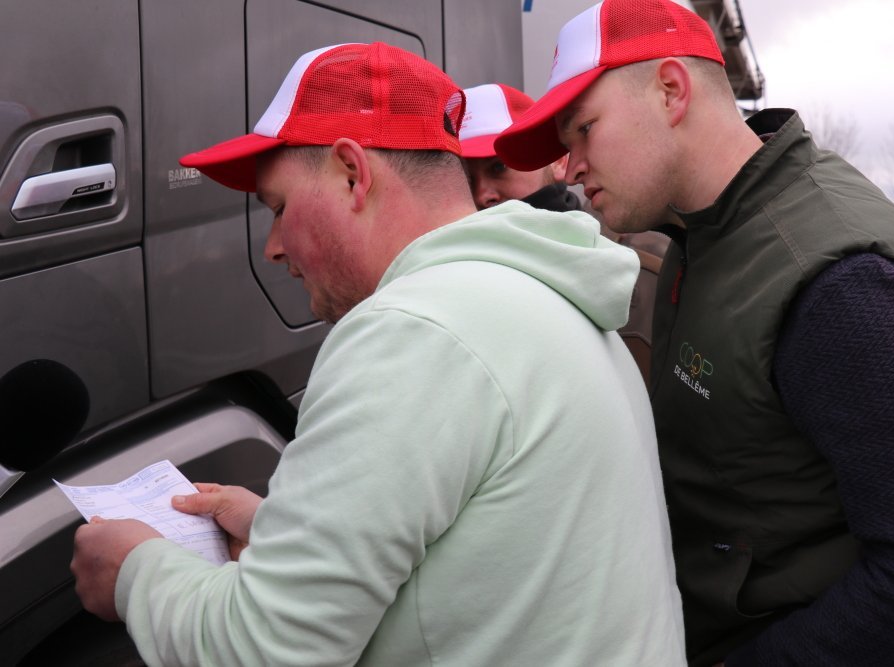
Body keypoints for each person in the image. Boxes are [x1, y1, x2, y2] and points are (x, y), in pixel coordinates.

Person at [69, 42, 687, 666]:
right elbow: (498, 556)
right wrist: (287, 535)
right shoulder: (544, 293)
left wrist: (133, 571)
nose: (273, 247)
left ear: (351, 173)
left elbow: (265, 650)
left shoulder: (414, 331)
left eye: (280, 208)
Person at [494, 1, 894, 665]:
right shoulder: (704, 232)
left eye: (583, 130)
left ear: (671, 90)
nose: (569, 167)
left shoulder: (841, 281)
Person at [460, 81, 668, 388]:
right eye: (465, 176)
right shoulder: (446, 284)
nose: (481, 194)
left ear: (557, 162)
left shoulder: (648, 277)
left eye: (498, 167)